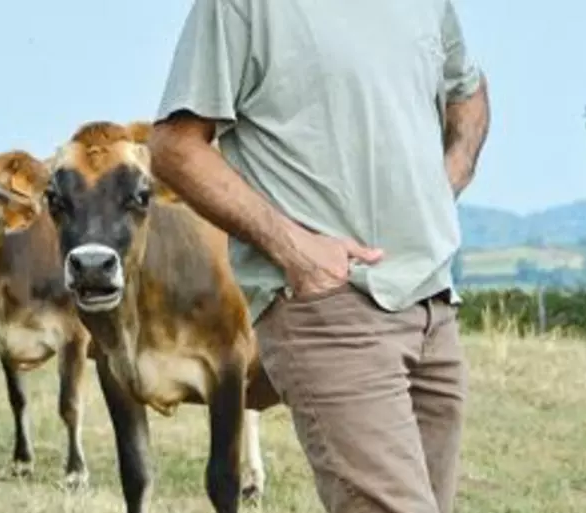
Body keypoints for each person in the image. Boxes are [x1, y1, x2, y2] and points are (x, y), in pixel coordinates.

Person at [149, 1, 490, 512]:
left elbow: (469, 92)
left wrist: (448, 180)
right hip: (334, 307)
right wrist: (295, 249)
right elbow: (176, 149)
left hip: (432, 306)